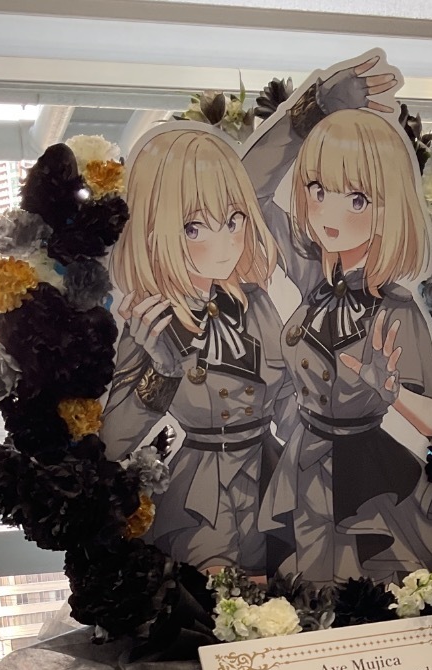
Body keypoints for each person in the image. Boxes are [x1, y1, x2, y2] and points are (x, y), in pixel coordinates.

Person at [244, 61, 432, 582]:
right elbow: (246, 193)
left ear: (388, 207)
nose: (330, 213)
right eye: (317, 191)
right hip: (301, 468)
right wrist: (307, 115)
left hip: (365, 481)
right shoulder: (313, 274)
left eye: (357, 199)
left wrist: (391, 394)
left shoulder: (395, 309)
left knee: (356, 597)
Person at [102, 122, 294, 576]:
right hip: (201, 491)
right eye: (194, 228)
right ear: (155, 231)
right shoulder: (150, 319)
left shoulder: (256, 303)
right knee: (220, 594)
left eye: (233, 221)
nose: (224, 244)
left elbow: (286, 398)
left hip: (271, 476)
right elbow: (111, 442)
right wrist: (163, 372)